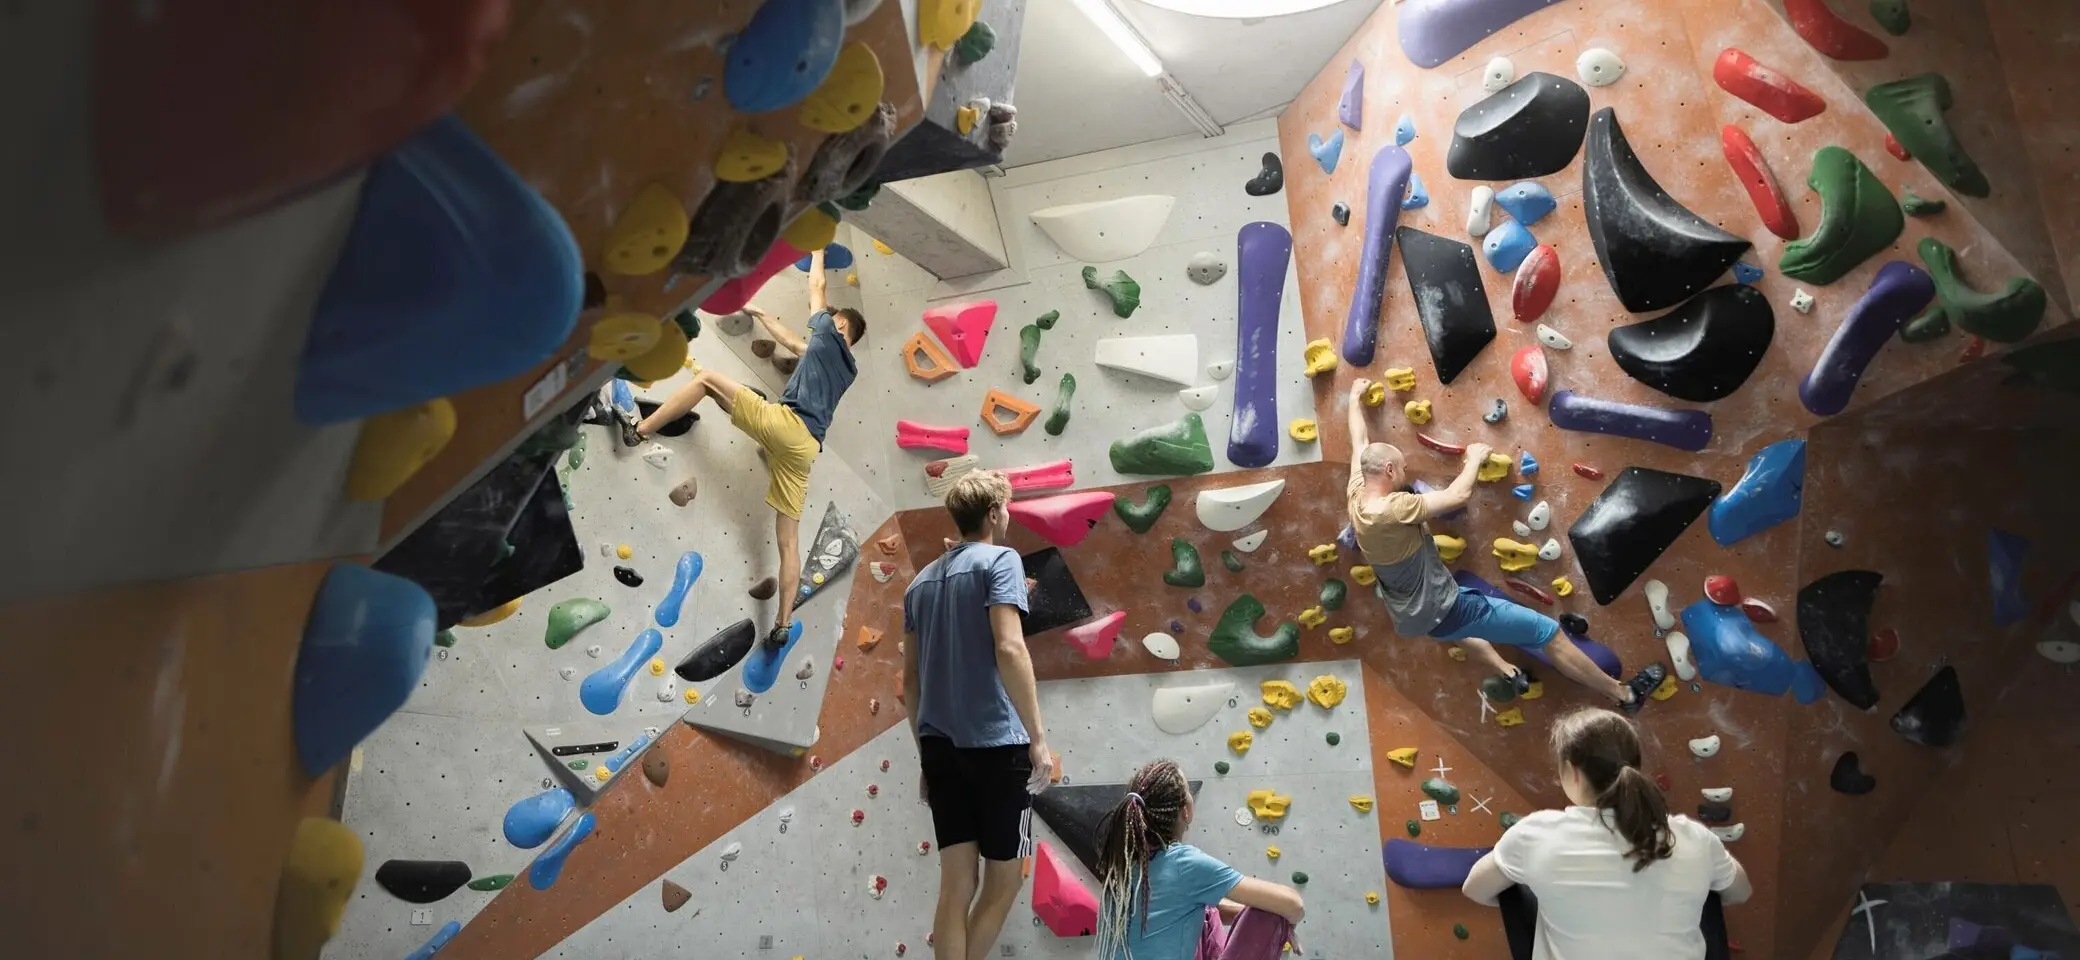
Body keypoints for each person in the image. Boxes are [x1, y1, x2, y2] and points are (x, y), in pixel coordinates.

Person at [1344, 378, 1663, 709]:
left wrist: (1354, 397)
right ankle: (1626, 695)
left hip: (1414, 618)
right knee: (1548, 635)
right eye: (1402, 470)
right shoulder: (1394, 508)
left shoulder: (1357, 495)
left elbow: (1359, 443)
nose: (1404, 475)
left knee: (1459, 631)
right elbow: (1457, 495)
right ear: (1389, 469)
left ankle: (1505, 668)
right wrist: (1474, 460)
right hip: (1448, 609)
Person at [630, 248, 865, 648]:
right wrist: (759, 315)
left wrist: (818, 248)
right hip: (806, 450)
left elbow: (817, 285)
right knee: (789, 540)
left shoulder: (827, 330)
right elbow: (792, 342)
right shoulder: (845, 367)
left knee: (705, 379)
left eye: (832, 318)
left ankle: (638, 430)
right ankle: (783, 622)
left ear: (839, 324)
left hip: (787, 425)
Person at [901, 470, 1057, 960]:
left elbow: (910, 684)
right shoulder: (1001, 560)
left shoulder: (919, 584)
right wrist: (1037, 737)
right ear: (993, 513)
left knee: (955, 885)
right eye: (1006, 509)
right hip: (997, 745)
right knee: (1006, 877)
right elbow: (1010, 647)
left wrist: (926, 757)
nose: (1007, 517)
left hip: (940, 749)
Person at [1461, 708, 1752, 960]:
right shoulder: (1694, 837)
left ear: (1572, 772)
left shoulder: (1536, 835)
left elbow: (1476, 889)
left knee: (1516, 885)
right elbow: (1740, 891)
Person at [1094, 759, 1306, 960]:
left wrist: (1260, 912)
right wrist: (1283, 921)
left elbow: (1199, 909)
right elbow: (1293, 905)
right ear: (1186, 811)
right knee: (1272, 914)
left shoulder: (1123, 867)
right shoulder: (1183, 864)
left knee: (1207, 911)